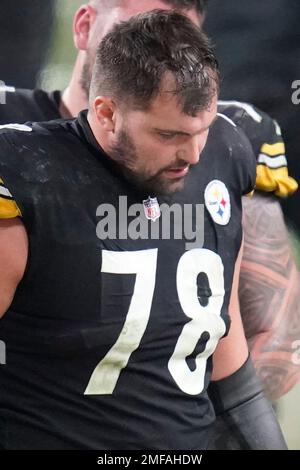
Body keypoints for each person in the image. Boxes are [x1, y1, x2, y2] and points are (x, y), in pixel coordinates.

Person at [0, 10, 287, 450]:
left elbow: (230, 363)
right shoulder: (28, 175)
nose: (191, 154)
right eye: (168, 134)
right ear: (107, 113)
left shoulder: (227, 151)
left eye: (201, 130)